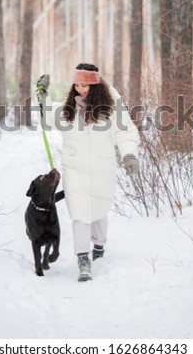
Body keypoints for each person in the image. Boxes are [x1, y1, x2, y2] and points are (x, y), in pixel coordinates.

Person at [36, 63, 140, 282]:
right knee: (80, 214)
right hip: (74, 169)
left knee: (99, 210)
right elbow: (48, 119)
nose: (80, 89)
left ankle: (99, 247)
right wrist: (43, 96)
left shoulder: (111, 109)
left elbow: (125, 131)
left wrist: (129, 154)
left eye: (85, 85)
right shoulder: (69, 109)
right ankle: (83, 260)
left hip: (102, 168)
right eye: (77, 85)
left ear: (96, 86)